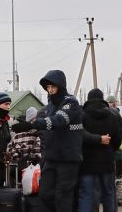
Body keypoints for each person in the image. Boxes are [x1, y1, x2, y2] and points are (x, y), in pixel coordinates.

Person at [32, 70, 84, 212]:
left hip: (68, 159)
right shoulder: (50, 105)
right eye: (48, 88)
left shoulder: (71, 102)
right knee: (45, 194)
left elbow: (60, 120)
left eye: (52, 87)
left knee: (63, 197)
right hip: (51, 157)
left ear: (60, 86)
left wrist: (36, 123)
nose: (50, 90)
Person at [78, 89, 120, 212]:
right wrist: (110, 149)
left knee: (86, 195)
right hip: (106, 161)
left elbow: (79, 136)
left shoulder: (82, 115)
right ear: (102, 99)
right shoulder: (112, 115)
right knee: (108, 194)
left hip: (87, 162)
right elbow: (117, 138)